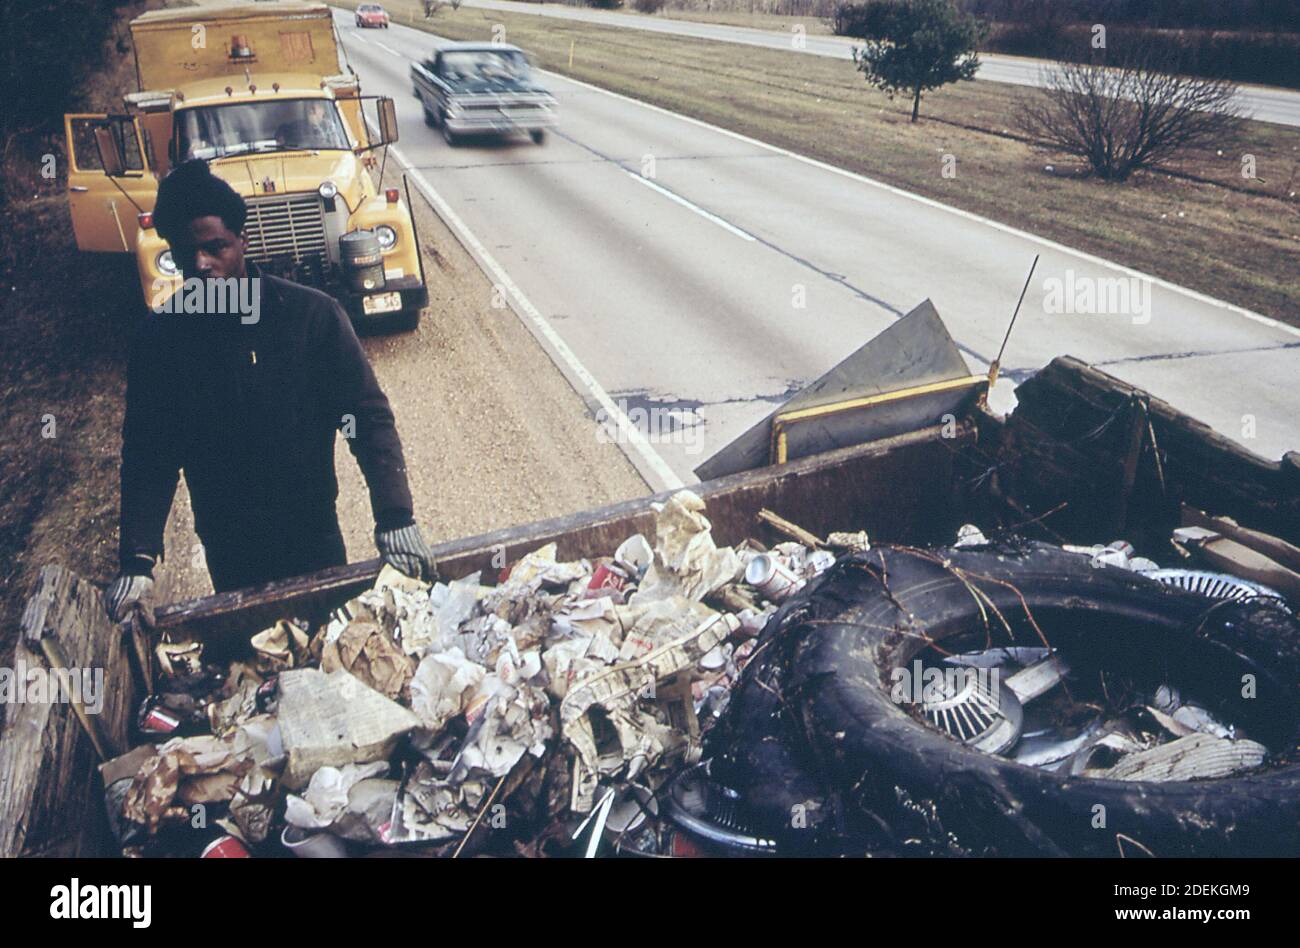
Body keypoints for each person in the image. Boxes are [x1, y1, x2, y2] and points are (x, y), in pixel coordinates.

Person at [105, 159, 434, 623]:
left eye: (215, 247)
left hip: (313, 536)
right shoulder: (161, 341)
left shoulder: (310, 317)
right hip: (229, 548)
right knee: (254, 663)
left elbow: (365, 417)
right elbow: (148, 452)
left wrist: (395, 514)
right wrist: (137, 558)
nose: (202, 264)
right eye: (185, 251)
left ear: (242, 240)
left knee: (322, 653)